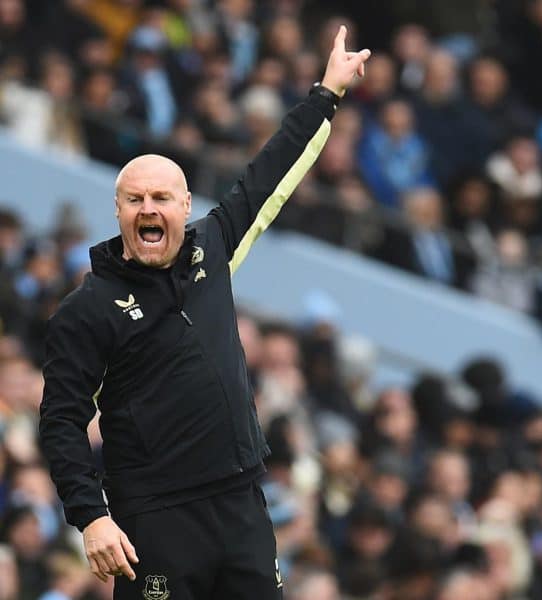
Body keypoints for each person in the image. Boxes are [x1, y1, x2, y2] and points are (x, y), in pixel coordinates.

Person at [37, 26, 371, 599]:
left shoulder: (210, 250)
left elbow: (268, 176)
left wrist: (326, 93)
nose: (149, 208)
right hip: (155, 521)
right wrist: (91, 516)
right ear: (116, 209)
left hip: (242, 504)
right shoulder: (89, 308)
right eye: (135, 199)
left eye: (161, 198)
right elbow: (61, 420)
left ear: (185, 205)